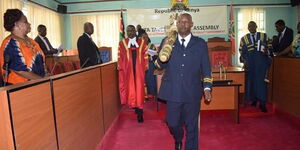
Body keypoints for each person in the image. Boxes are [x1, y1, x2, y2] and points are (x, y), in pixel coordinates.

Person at [155, 13, 212, 150]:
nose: (183, 24)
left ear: (192, 24)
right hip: (173, 91)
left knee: (192, 126)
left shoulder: (200, 44)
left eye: (186, 22)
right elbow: (158, 66)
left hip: (192, 92)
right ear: (177, 24)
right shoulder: (168, 41)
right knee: (173, 123)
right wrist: (163, 56)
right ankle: (178, 138)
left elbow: (206, 68)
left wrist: (207, 88)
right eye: (180, 21)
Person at [0, 9, 47, 85]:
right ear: (16, 24)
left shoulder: (33, 42)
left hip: (38, 84)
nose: (29, 24)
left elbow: (42, 62)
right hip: (20, 89)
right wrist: (43, 80)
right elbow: (20, 70)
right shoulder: (10, 43)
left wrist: (46, 74)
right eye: (25, 22)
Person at [118, 25, 148, 123]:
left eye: (131, 30)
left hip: (139, 71)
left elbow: (145, 55)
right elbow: (120, 57)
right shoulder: (122, 43)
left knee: (139, 90)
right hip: (129, 72)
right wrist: (122, 69)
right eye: (128, 31)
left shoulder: (142, 42)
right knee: (131, 89)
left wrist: (144, 67)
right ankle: (134, 106)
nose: (130, 32)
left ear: (135, 31)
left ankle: (140, 112)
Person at [239, 21, 271, 113]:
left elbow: (270, 47)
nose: (251, 27)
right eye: (249, 26)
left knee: (261, 84)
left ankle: (262, 103)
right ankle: (254, 99)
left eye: (253, 26)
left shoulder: (264, 36)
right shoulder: (244, 38)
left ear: (256, 26)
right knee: (251, 83)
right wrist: (244, 60)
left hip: (261, 64)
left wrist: (267, 52)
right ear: (248, 28)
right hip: (250, 64)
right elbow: (241, 51)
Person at [141, 32, 157, 100]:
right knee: (143, 79)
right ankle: (145, 95)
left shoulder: (151, 45)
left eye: (146, 37)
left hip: (150, 64)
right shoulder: (139, 46)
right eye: (143, 37)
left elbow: (155, 56)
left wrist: (149, 56)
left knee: (151, 79)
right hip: (142, 65)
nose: (145, 39)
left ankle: (153, 93)